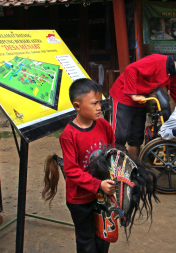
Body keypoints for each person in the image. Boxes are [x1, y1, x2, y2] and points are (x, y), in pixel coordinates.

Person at [42, 78, 115, 253]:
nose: (99, 107)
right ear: (77, 106)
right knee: (86, 239)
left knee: (105, 236)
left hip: (104, 194)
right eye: (94, 103)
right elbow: (71, 171)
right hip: (80, 199)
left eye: (101, 102)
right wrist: (98, 185)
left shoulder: (103, 124)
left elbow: (112, 151)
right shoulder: (69, 135)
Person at [109, 49, 176, 158]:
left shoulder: (172, 74)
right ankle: (114, 168)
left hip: (141, 99)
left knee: (136, 137)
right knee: (119, 136)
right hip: (123, 96)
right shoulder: (156, 61)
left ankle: (134, 166)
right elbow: (130, 69)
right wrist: (133, 94)